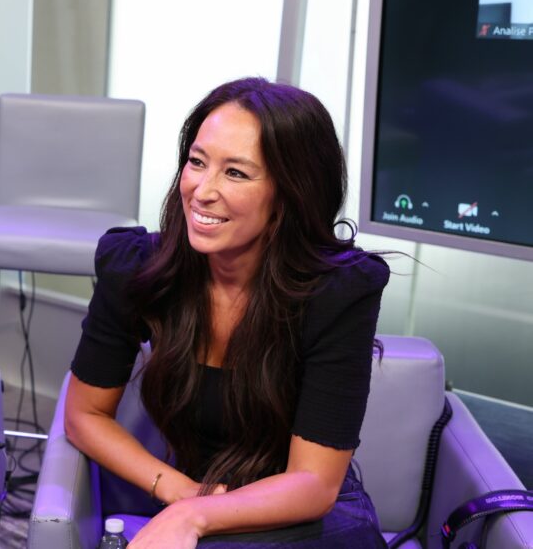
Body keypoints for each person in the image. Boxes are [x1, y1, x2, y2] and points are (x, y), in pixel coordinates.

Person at [65, 78, 391, 548]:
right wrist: (181, 495)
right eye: (197, 162)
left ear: (290, 193)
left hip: (307, 520)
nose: (202, 190)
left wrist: (194, 516)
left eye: (235, 173)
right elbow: (84, 415)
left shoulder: (337, 293)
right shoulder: (139, 269)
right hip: (202, 500)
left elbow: (314, 484)